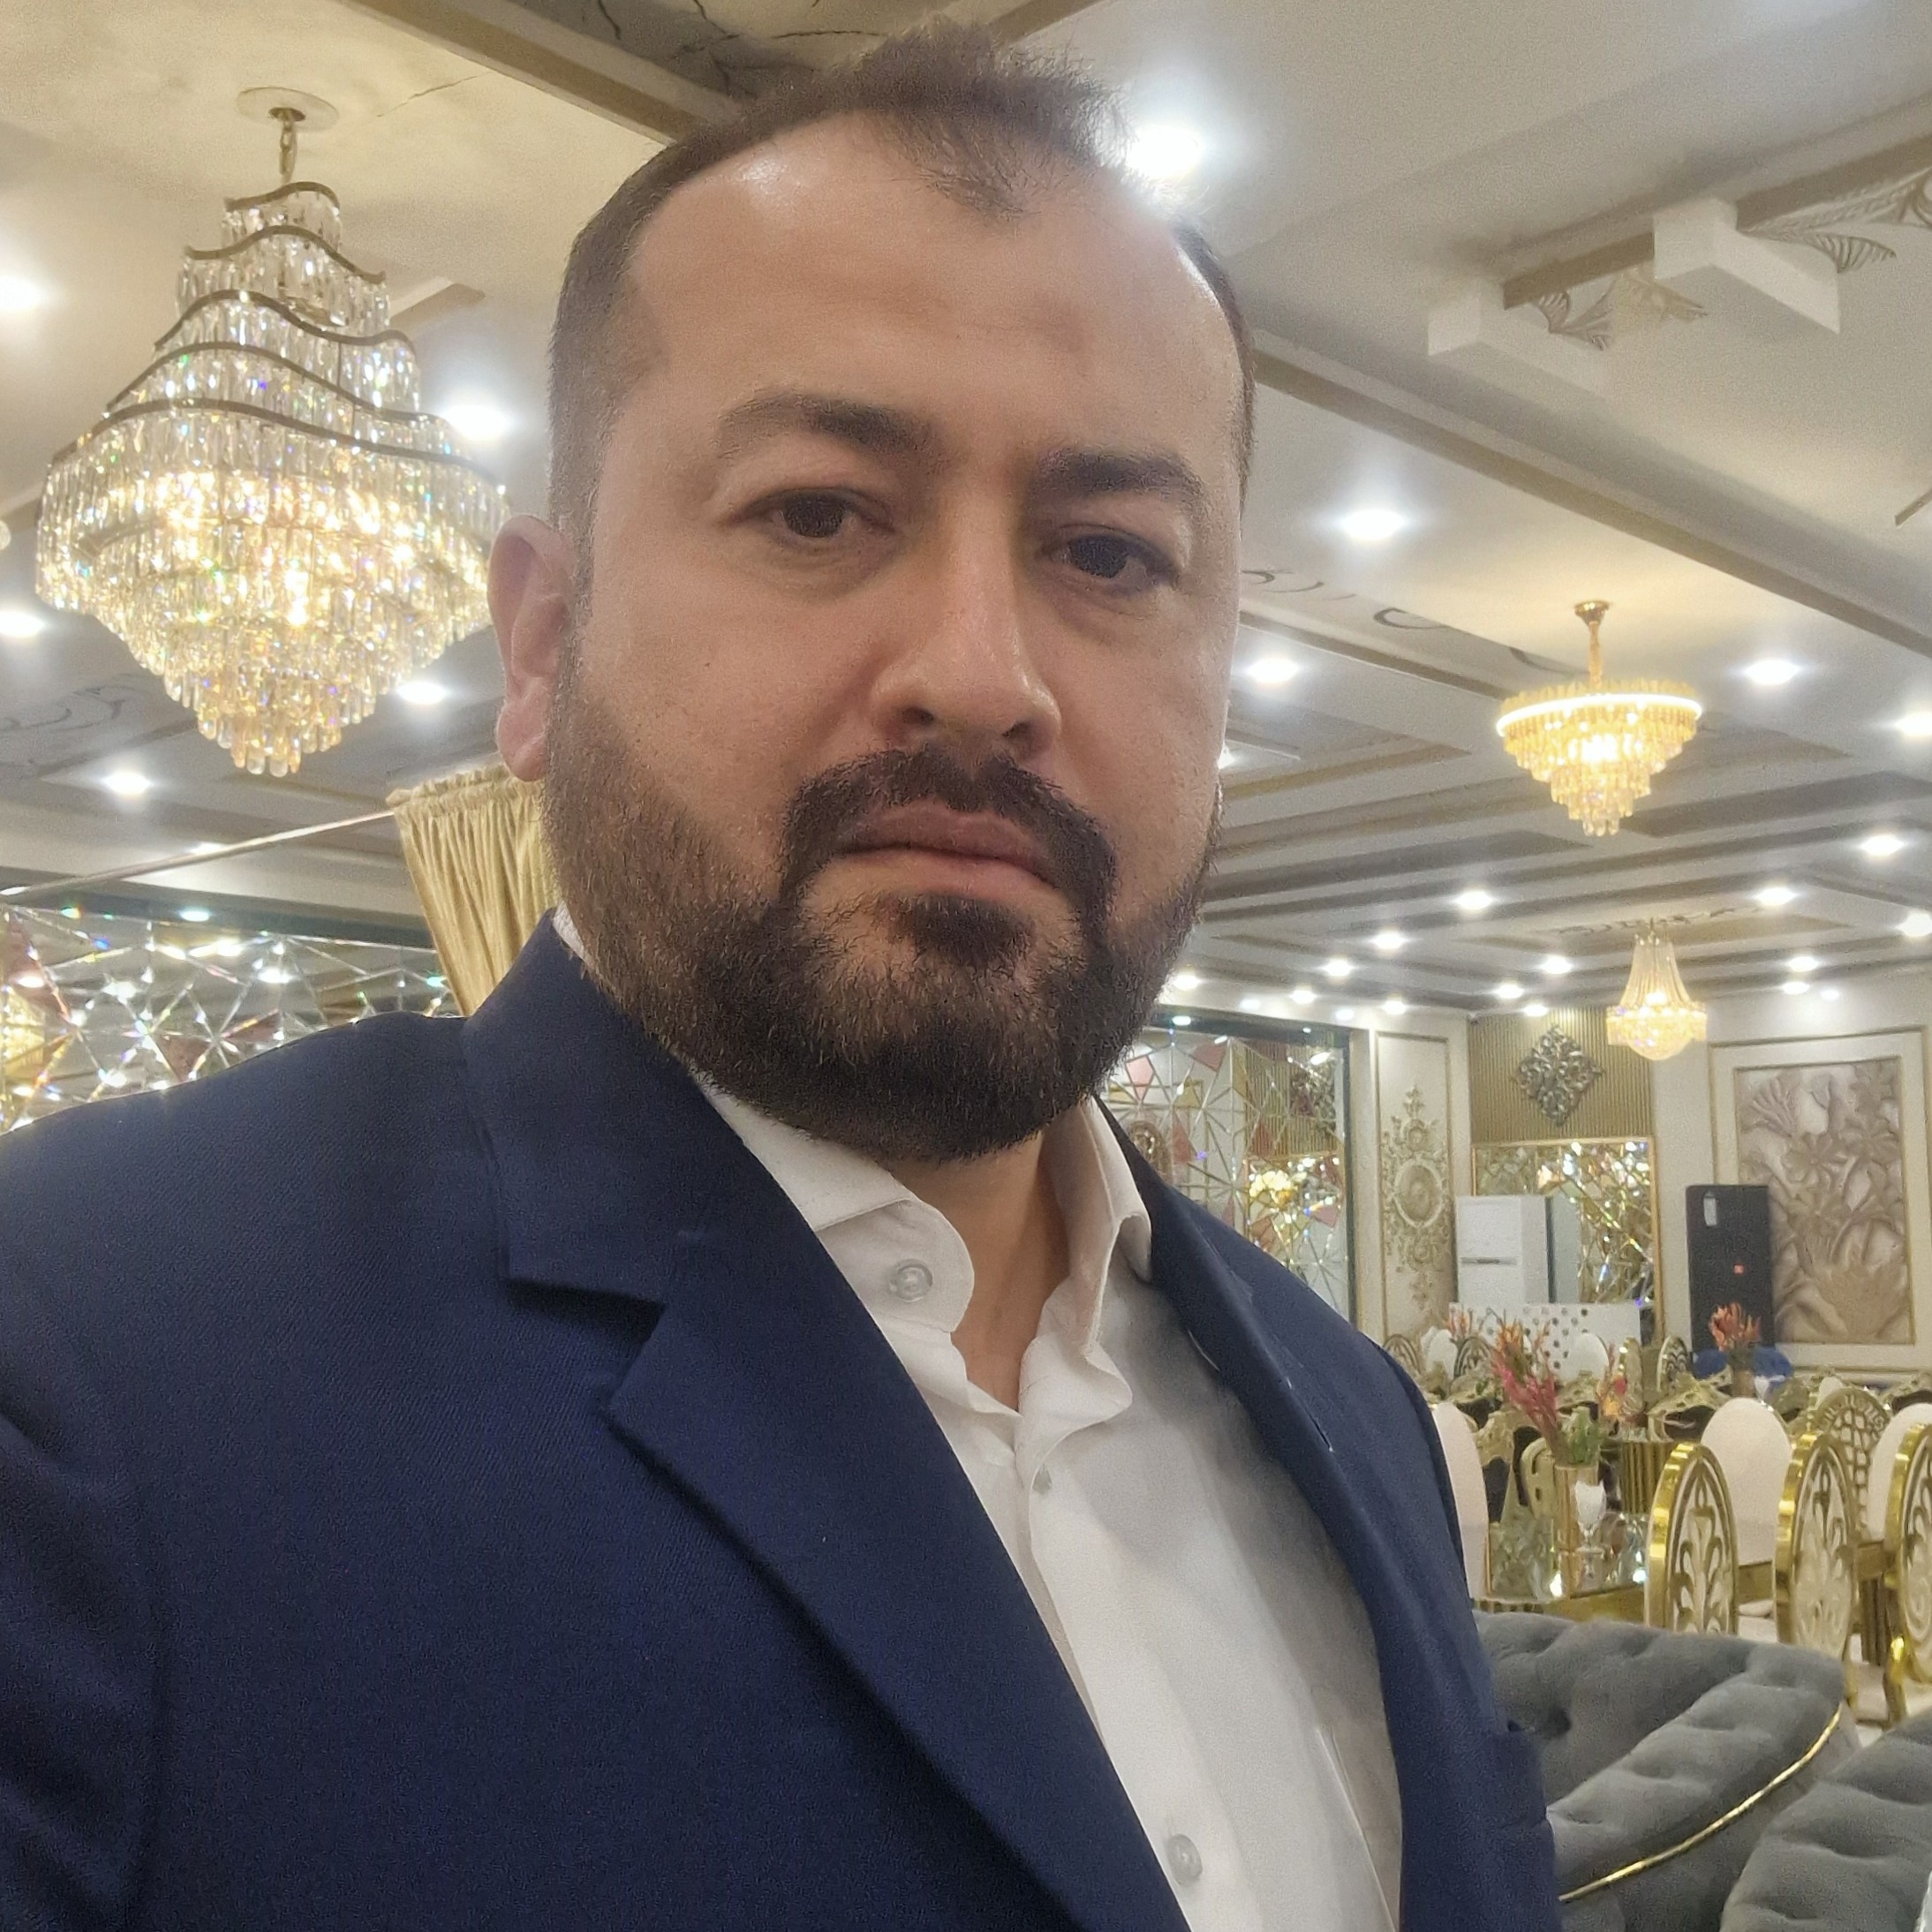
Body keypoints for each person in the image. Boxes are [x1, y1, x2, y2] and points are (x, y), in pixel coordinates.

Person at [0, 29, 1557, 1932]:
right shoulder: (86, 1359)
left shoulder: (1359, 1420)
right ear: (542, 642)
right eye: (819, 511)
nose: (981, 673)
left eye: (1107, 552)